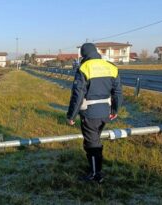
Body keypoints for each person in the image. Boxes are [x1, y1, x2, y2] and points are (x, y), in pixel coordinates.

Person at [66, 43, 122, 183]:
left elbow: (78, 95)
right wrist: (115, 110)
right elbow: (118, 92)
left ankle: (96, 174)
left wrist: (71, 115)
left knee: (91, 144)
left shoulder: (84, 68)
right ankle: (95, 167)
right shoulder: (111, 67)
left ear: (83, 54)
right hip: (105, 112)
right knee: (95, 140)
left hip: (90, 113)